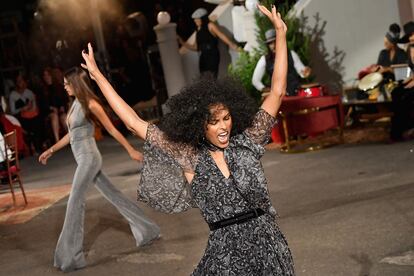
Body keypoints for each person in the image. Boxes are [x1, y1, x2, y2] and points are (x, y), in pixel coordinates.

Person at [81, 4, 294, 275]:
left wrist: (280, 33)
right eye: (214, 122)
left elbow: (276, 91)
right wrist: (99, 78)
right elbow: (135, 124)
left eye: (226, 118)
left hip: (268, 247)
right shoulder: (190, 158)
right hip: (226, 257)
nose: (223, 127)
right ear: (198, 125)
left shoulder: (247, 143)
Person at [38, 67, 160, 272]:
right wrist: (51, 150)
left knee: (75, 201)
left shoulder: (92, 104)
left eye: (67, 83)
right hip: (83, 158)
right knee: (114, 195)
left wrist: (130, 149)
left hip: (89, 159)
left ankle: (71, 257)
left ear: (76, 83)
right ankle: (148, 230)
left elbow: (111, 129)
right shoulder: (75, 103)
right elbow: (71, 135)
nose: (65, 86)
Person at [179, 8, 240, 77]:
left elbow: (221, 35)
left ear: (203, 18)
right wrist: (182, 42)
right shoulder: (198, 30)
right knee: (204, 79)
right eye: (194, 19)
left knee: (211, 78)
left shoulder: (210, 25)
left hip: (212, 55)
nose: (195, 21)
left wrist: (233, 45)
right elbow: (195, 47)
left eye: (197, 19)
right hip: (203, 57)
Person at [252, 28, 311, 96]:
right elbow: (255, 81)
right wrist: (264, 89)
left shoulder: (291, 54)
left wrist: (305, 72)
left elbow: (302, 71)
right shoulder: (264, 60)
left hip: (295, 93)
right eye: (270, 43)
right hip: (279, 98)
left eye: (275, 42)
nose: (273, 46)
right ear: (268, 45)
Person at [9, 73, 45, 153]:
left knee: (37, 120)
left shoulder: (29, 93)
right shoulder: (13, 95)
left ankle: (38, 146)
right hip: (19, 116)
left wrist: (29, 109)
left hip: (31, 115)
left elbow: (34, 108)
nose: (20, 83)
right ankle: (31, 145)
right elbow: (13, 111)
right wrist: (22, 109)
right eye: (18, 81)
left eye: (21, 81)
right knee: (26, 122)